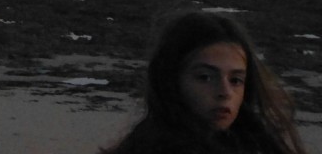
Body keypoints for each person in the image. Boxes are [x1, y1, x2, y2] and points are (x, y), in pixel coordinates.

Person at [100, 9, 310, 154]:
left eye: (236, 80)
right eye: (205, 77)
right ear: (171, 80)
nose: (224, 92)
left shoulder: (253, 144)